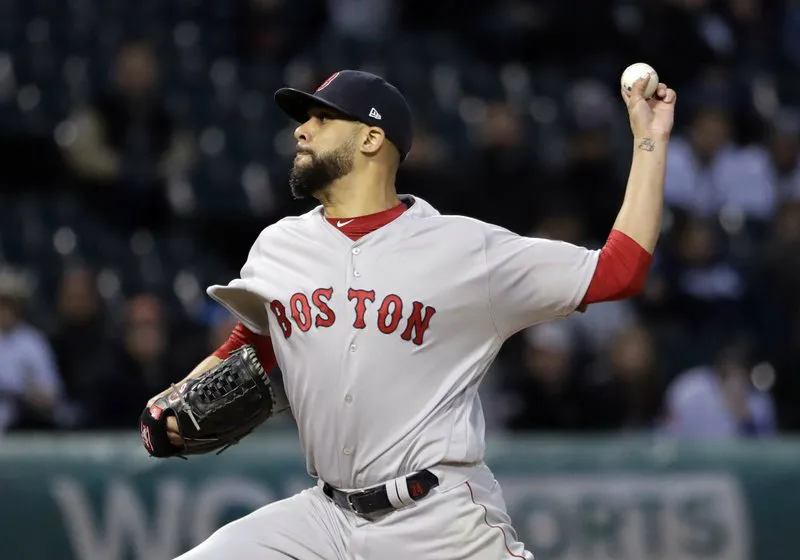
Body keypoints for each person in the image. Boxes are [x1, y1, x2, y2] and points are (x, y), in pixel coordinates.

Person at [143, 69, 677, 559]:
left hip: (440, 519)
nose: (301, 131)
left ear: (372, 139)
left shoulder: (465, 250)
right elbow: (254, 343)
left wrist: (649, 140)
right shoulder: (279, 246)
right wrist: (171, 400)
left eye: (322, 118)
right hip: (324, 519)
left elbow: (619, 271)